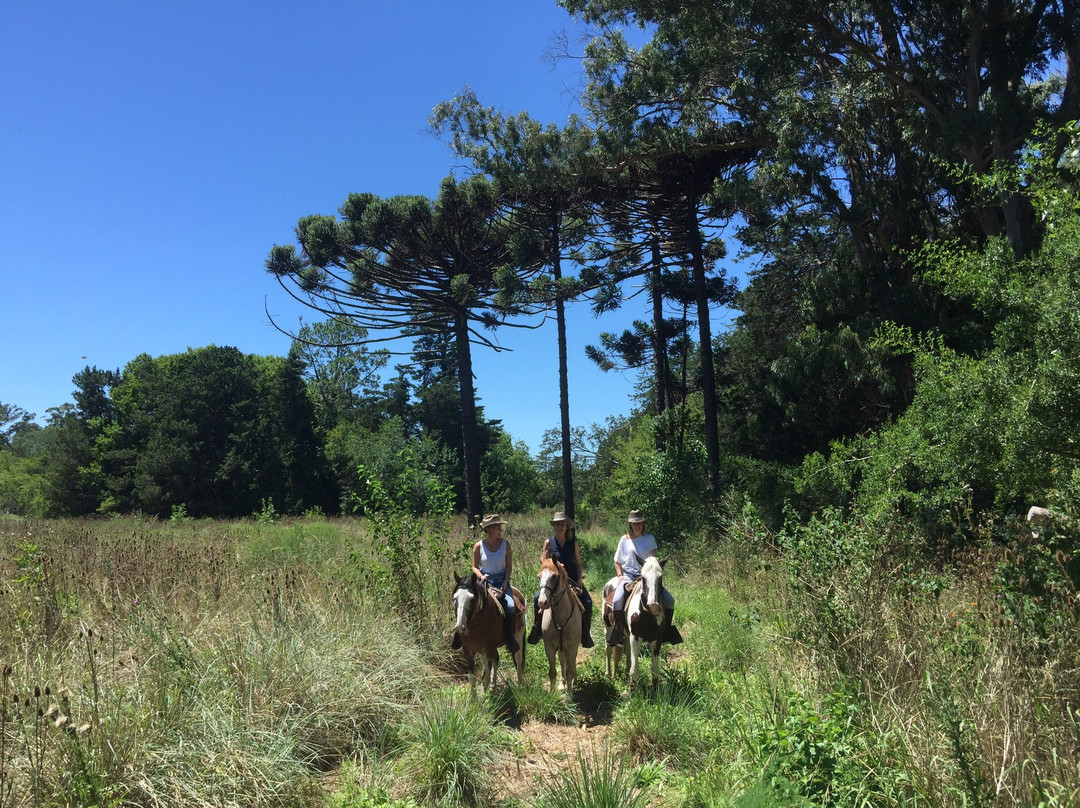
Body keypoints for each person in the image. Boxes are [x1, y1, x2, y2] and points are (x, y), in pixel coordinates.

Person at [604, 509, 681, 646]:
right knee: (616, 600)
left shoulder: (649, 539)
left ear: (643, 524)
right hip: (629, 576)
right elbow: (617, 560)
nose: (637, 526)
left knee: (669, 600)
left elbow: (654, 561)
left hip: (648, 577)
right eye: (634, 523)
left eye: (639, 523)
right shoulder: (624, 540)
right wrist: (620, 575)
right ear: (630, 525)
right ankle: (619, 631)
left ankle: (666, 631)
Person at [527, 511, 595, 648]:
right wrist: (553, 565)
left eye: (562, 524)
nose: (560, 527)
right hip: (554, 580)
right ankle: (537, 628)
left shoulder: (572, 542)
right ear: (554, 526)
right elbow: (543, 560)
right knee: (536, 598)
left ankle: (585, 633)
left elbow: (578, 563)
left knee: (587, 602)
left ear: (567, 526)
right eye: (557, 524)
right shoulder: (549, 542)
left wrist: (580, 580)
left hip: (572, 580)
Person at [472, 513, 520, 653]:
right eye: (498, 527)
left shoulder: (506, 544)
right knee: (470, 603)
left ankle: (509, 637)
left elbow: (509, 565)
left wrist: (506, 580)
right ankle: (464, 635)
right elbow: (474, 567)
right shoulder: (479, 546)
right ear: (490, 529)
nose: (500, 529)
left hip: (501, 581)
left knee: (510, 606)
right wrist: (481, 576)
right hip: (485, 581)